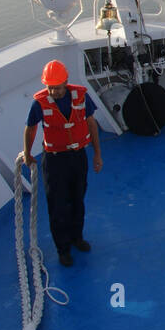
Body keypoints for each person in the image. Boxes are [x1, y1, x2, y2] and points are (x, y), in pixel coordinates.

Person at [23, 60, 103, 267]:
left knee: (78, 200)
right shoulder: (39, 104)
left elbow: (91, 123)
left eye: (57, 87)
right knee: (58, 206)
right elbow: (30, 128)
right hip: (55, 161)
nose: (53, 91)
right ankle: (63, 249)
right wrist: (27, 153)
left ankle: (77, 238)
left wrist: (97, 154)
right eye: (50, 87)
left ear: (66, 83)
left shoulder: (80, 97)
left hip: (78, 157)